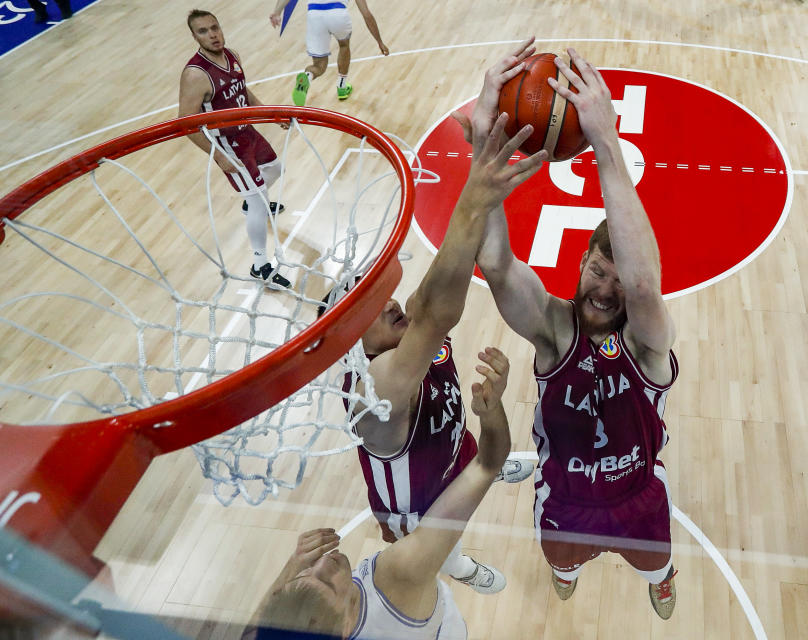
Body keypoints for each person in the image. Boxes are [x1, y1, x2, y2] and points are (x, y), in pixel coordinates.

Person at [464, 43, 680, 618]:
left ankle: (659, 577)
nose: (606, 289)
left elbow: (642, 288)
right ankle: (567, 570)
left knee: (657, 564)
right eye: (596, 270)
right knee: (562, 565)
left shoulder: (647, 341)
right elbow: (498, 265)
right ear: (581, 259)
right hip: (565, 498)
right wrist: (482, 152)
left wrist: (606, 143)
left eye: (617, 278)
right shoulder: (555, 330)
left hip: (639, 498)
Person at [316, 77, 545, 595]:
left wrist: (479, 158)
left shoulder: (399, 328)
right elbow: (442, 312)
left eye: (383, 294)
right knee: (448, 536)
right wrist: (473, 198)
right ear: (353, 338)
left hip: (447, 443)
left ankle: (485, 461)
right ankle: (457, 567)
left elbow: (449, 271)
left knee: (463, 448)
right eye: (374, 306)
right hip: (417, 509)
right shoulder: (376, 388)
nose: (393, 303)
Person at [246, 346, 513, 639]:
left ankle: (458, 566)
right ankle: (461, 568)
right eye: (327, 581)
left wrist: (292, 568)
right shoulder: (399, 576)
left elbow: (252, 634)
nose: (321, 562)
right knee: (440, 552)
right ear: (346, 626)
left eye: (307, 574)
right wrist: (492, 408)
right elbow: (487, 464)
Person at [179, 9, 291, 288]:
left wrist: (269, 112)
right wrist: (218, 156)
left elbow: (244, 91)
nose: (212, 34)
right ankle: (259, 265)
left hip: (247, 133)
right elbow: (185, 123)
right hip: (228, 145)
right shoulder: (195, 75)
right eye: (203, 31)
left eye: (214, 27)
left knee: (276, 169)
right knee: (258, 198)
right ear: (194, 37)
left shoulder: (233, 55)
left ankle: (250, 199)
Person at [270, 0, 389, 104]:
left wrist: (277, 11)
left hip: (314, 16)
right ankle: (342, 86)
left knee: (319, 65)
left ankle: (307, 76)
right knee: (344, 45)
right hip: (338, 14)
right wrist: (379, 41)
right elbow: (367, 14)